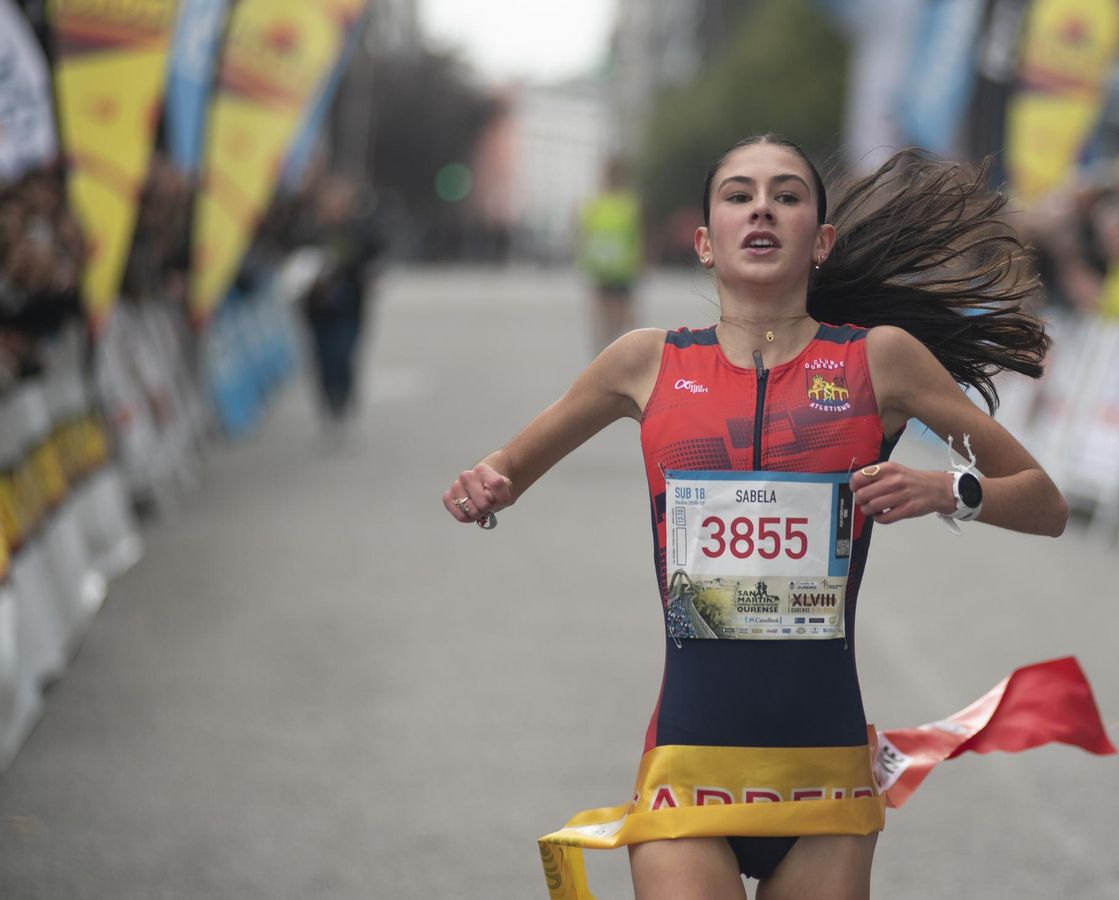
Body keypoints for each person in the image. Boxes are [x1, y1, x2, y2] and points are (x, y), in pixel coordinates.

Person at [443, 135, 1067, 900]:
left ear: (821, 241)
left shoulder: (880, 361)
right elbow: (506, 470)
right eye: (739, 195)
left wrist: (950, 490)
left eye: (787, 195)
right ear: (705, 242)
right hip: (688, 772)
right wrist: (484, 486)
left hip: (825, 779)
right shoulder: (646, 362)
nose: (762, 208)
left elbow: (1044, 501)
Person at [301, 175, 383, 443]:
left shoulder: (359, 231)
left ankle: (345, 409)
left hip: (350, 307)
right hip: (318, 310)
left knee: (344, 356)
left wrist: (370, 276)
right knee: (323, 361)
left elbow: (375, 256)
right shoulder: (311, 231)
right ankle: (329, 411)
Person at [578, 159, 646, 353]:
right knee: (604, 313)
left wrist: (639, 259)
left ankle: (628, 347)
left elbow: (638, 234)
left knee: (623, 313)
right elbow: (584, 234)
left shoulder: (629, 204)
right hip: (601, 267)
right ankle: (609, 350)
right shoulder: (595, 205)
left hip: (623, 268)